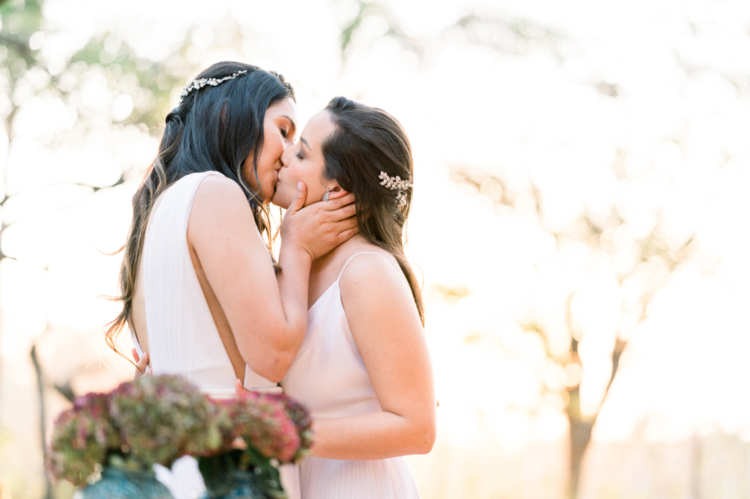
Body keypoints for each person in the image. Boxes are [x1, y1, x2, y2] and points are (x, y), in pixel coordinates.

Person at [109, 62, 357, 498]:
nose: (287, 152)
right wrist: (295, 249)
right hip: (231, 469)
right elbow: (272, 355)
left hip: (176, 465)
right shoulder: (217, 194)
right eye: (282, 130)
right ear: (228, 116)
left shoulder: (162, 208)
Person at [266, 96, 437, 498]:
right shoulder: (293, 263)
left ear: (337, 188)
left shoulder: (366, 271)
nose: (284, 156)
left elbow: (418, 427)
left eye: (302, 152)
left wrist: (286, 431)